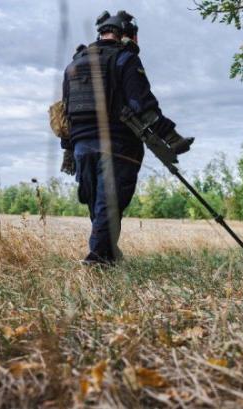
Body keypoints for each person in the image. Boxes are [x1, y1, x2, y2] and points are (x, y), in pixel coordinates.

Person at [59, 10, 193, 266]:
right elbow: (142, 105)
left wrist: (68, 149)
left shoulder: (74, 64)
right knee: (109, 205)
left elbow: (63, 113)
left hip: (81, 147)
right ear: (127, 34)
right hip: (118, 145)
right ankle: (98, 260)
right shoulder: (125, 58)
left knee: (100, 206)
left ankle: (108, 254)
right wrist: (171, 137)